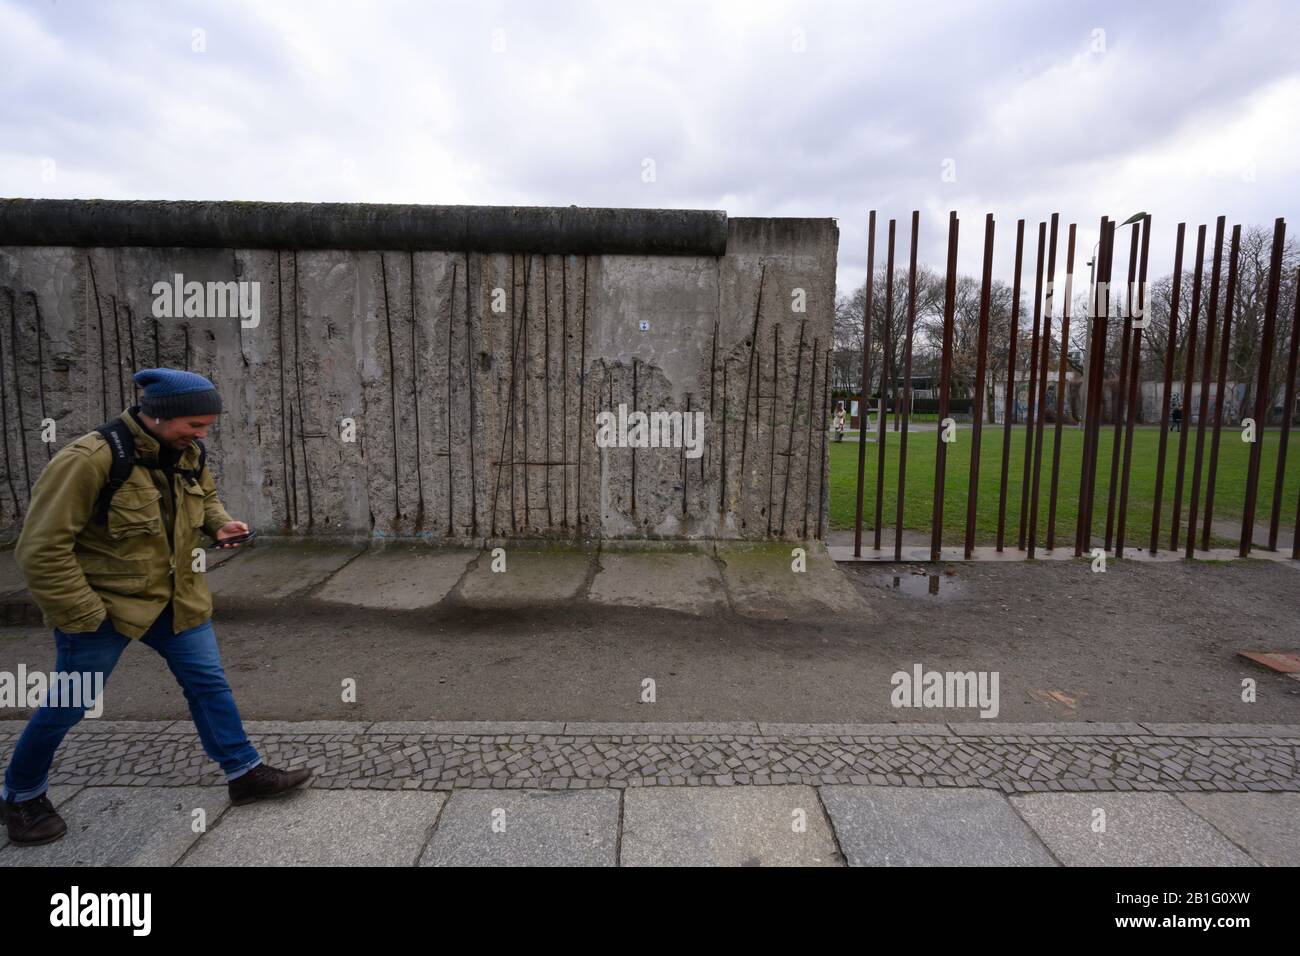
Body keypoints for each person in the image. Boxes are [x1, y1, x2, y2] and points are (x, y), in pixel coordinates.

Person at [2, 368, 311, 847]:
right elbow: (40, 548)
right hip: (104, 610)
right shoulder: (90, 459)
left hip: (178, 600)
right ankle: (22, 796)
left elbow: (203, 499)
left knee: (208, 684)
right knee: (69, 703)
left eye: (206, 425)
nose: (202, 434)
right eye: (195, 424)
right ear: (159, 415)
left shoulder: (187, 452)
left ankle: (245, 773)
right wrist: (84, 615)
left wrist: (220, 525)